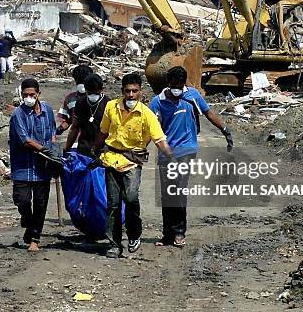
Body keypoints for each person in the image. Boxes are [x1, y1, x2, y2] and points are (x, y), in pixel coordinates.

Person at [149, 66, 233, 248]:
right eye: (173, 84)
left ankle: (179, 232)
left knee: (178, 191)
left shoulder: (192, 96)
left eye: (180, 84)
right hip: (166, 152)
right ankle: (167, 234)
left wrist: (224, 130)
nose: (177, 88)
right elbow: (148, 126)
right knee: (167, 194)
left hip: (187, 150)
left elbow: (209, 113)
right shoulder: (158, 102)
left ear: (184, 83)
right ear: (168, 83)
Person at [93, 73, 175, 258]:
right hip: (111, 158)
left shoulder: (146, 114)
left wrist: (171, 158)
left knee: (130, 199)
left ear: (140, 92)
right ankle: (114, 243)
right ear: (122, 91)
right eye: (127, 91)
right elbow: (103, 131)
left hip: (132, 161)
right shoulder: (111, 107)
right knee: (113, 204)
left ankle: (134, 234)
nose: (130, 95)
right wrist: (95, 150)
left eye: (134, 91)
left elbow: (159, 139)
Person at [9, 78, 57, 252]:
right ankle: (28, 222)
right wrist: (46, 150)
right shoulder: (18, 114)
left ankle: (35, 238)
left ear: (38, 94)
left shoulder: (48, 110)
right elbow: (25, 140)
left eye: (32, 95)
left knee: (41, 203)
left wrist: (54, 152)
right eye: (25, 95)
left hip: (42, 167)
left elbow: (52, 131)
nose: (28, 98)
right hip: (23, 166)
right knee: (22, 200)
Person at [64, 73, 109, 156]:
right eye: (90, 92)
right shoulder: (81, 103)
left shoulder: (108, 104)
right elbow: (75, 127)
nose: (92, 95)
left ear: (101, 89)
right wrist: (67, 148)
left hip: (102, 150)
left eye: (95, 92)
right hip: (84, 148)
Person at [56, 65, 93, 138]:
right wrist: (60, 129)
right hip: (76, 139)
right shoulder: (70, 98)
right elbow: (68, 120)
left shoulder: (100, 99)